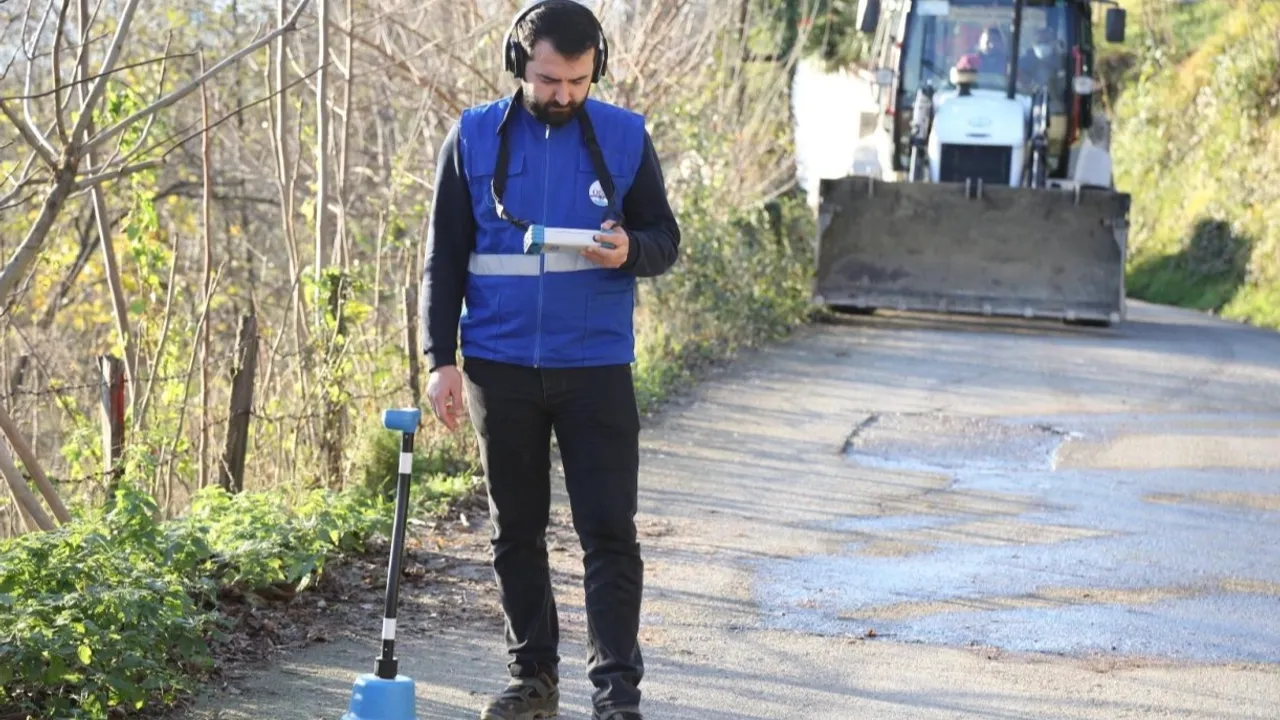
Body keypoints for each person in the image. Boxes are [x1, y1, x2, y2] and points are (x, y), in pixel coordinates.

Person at [418, 0, 681, 718]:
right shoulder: (471, 138)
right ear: (517, 65)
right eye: (548, 80)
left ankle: (616, 695)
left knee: (608, 533)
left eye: (577, 81)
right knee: (516, 530)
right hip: (498, 369)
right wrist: (441, 358)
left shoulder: (625, 137)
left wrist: (634, 249)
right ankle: (533, 678)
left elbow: (665, 238)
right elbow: (442, 258)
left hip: (596, 367)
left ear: (596, 70)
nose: (562, 95)